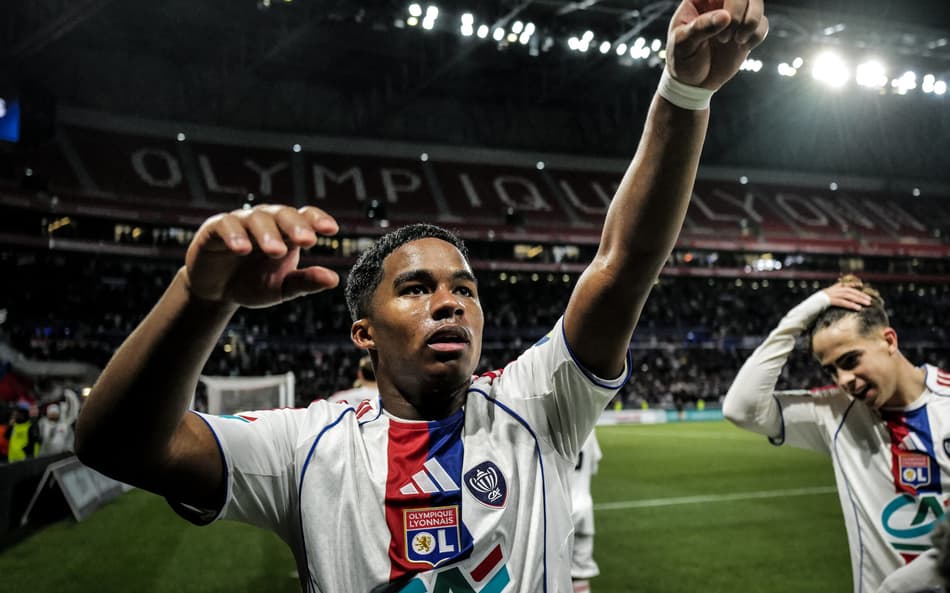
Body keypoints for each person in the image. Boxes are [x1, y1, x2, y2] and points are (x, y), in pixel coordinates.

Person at [76, 3, 768, 591]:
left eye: (465, 288)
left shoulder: (537, 405)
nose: (450, 302)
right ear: (364, 333)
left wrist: (684, 92)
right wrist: (200, 298)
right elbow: (116, 444)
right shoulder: (307, 448)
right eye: (416, 288)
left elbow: (623, 265)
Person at [723, 275, 950, 593]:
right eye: (831, 370)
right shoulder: (833, 413)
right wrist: (801, 315)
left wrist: (900, 586)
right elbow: (741, 409)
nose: (844, 380)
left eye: (850, 360)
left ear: (889, 341)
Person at [570, 432, 603, 593]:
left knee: (548, 572)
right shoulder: (589, 430)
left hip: (557, 514)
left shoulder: (546, 427)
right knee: (580, 572)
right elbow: (594, 465)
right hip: (583, 510)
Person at [38, 388, 79, 456]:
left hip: (60, 456)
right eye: (51, 413)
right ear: (48, 414)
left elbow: (73, 412)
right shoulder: (43, 423)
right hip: (44, 456)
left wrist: (68, 450)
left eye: (55, 413)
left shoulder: (64, 425)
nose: (53, 415)